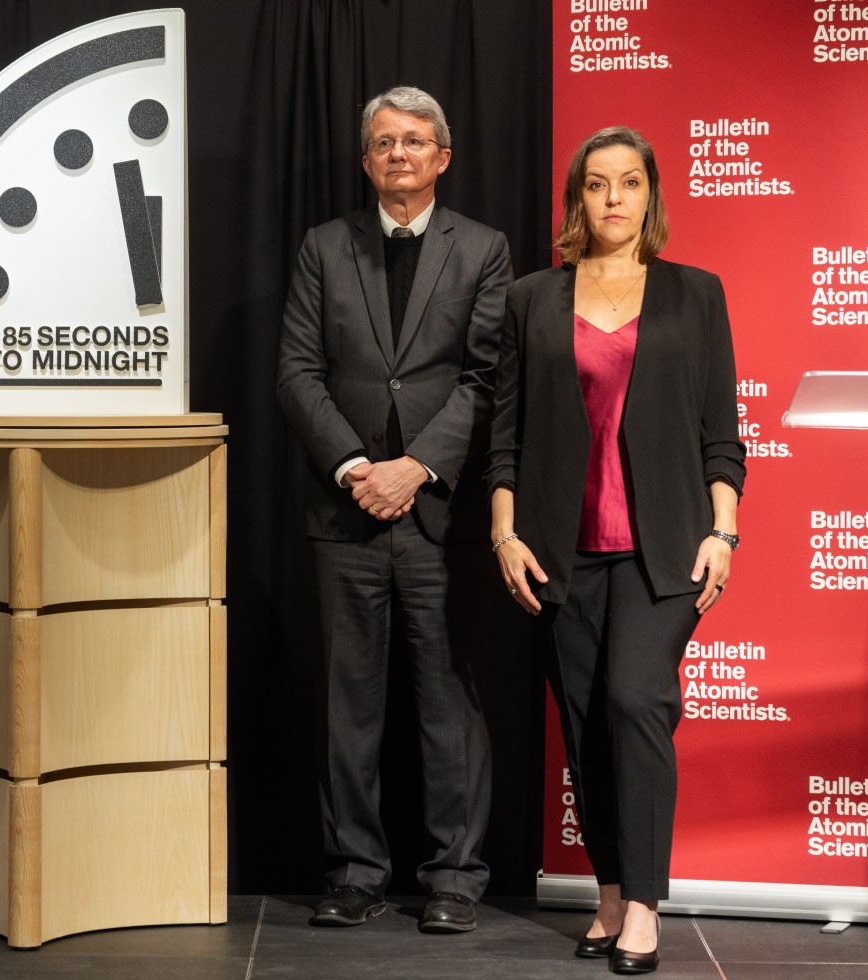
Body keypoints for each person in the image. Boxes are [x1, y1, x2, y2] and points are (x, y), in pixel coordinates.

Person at [487, 126, 744, 975]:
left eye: (628, 183)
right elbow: (507, 436)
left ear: (649, 194)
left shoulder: (695, 295)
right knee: (587, 722)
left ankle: (642, 902)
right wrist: (503, 529)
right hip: (563, 549)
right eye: (595, 185)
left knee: (637, 701)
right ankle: (605, 890)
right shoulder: (530, 299)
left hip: (663, 550)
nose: (611, 200)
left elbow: (721, 435)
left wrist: (723, 529)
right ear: (577, 198)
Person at [277, 86, 510, 934]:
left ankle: (454, 877)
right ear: (366, 159)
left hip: (437, 515)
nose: (398, 154)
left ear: (442, 157)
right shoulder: (322, 247)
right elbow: (296, 373)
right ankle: (355, 870)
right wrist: (354, 470)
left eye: (415, 141)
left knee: (448, 700)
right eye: (383, 142)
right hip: (344, 514)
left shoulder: (482, 249)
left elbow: (486, 380)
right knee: (349, 703)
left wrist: (412, 469)